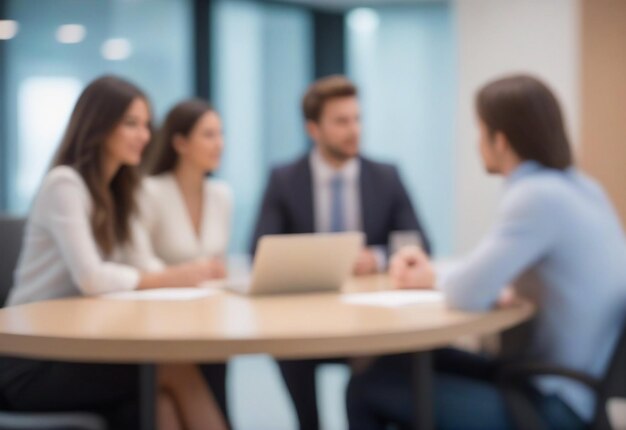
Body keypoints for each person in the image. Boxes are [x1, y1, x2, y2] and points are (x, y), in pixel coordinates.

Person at [347, 74, 626, 430]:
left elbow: (468, 292)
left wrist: (431, 276)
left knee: (366, 386)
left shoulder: (535, 197)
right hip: (576, 383)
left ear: (501, 140)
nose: (477, 143)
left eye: (480, 132)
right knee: (400, 362)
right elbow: (490, 275)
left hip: (554, 404)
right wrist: (441, 275)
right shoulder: (585, 188)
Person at [0, 76, 228, 430]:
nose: (145, 136)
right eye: (131, 124)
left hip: (82, 347)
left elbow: (140, 262)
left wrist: (186, 276)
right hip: (33, 360)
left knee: (162, 397)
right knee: (172, 367)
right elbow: (92, 278)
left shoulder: (120, 190)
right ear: (100, 125)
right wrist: (169, 276)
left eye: (146, 125)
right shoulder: (65, 184)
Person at [250, 75, 431, 430]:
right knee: (290, 349)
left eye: (357, 119)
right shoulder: (284, 179)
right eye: (341, 121)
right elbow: (259, 249)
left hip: (370, 317)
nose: (354, 130)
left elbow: (419, 242)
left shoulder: (386, 176)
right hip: (304, 318)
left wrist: (377, 258)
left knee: (376, 376)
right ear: (313, 128)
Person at [133, 98, 232, 423]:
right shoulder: (149, 192)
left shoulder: (222, 195)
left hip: (209, 320)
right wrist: (188, 273)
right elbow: (138, 264)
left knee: (168, 406)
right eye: (208, 135)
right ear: (180, 143)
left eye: (220, 134)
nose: (220, 144)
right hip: (160, 323)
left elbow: (218, 262)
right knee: (165, 401)